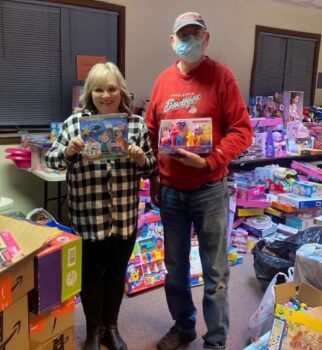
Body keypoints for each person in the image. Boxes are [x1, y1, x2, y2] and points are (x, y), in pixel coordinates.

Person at [145, 11, 253, 350]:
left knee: (216, 274)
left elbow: (242, 131)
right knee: (174, 269)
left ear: (205, 38)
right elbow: (150, 130)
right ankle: (184, 326)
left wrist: (211, 160)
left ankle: (216, 340)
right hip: (171, 191)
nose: (188, 41)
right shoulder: (163, 80)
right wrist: (153, 176)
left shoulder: (222, 76)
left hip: (209, 188)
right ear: (171, 40)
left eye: (195, 34)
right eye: (183, 35)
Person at [45, 62, 156, 350]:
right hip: (87, 217)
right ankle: (93, 329)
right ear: (89, 92)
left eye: (111, 88)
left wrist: (141, 159)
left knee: (117, 272)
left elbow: (151, 168)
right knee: (91, 275)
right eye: (98, 89)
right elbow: (52, 162)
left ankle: (111, 327)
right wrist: (70, 151)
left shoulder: (136, 124)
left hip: (123, 217)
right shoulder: (73, 124)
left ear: (121, 90)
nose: (105, 95)